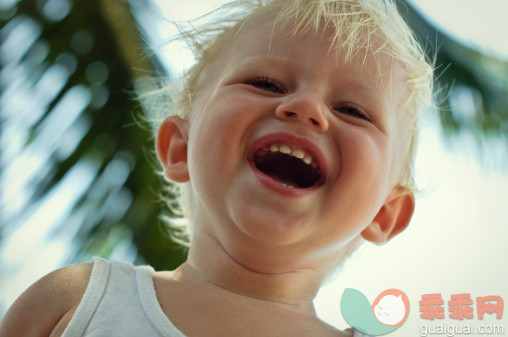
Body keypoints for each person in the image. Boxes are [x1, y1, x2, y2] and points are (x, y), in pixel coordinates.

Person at [0, 0, 433, 336]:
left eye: (352, 110)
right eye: (265, 83)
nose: (305, 107)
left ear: (384, 214)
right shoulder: (77, 300)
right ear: (179, 147)